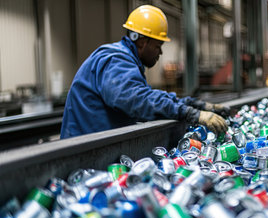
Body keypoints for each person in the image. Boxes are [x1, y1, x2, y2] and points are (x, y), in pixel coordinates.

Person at [60, 5, 229, 139]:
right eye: (157, 46)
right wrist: (191, 114)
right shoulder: (116, 60)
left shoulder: (124, 59)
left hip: (94, 146)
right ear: (142, 42)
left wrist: (197, 105)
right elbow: (138, 100)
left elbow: (148, 95)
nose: (160, 53)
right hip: (83, 153)